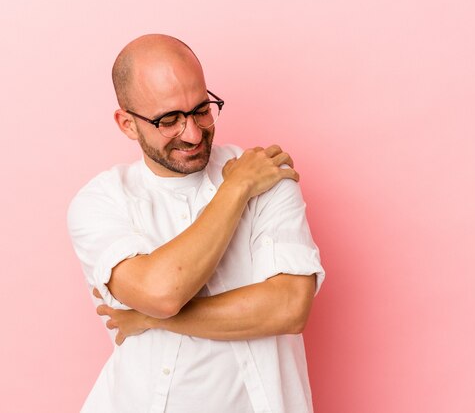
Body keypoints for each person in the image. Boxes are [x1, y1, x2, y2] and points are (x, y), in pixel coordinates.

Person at [67, 34, 325, 413]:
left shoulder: (266, 174)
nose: (193, 133)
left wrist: (149, 320)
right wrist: (235, 189)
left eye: (202, 109)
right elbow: (162, 292)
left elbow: (288, 307)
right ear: (127, 124)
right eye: (168, 119)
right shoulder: (100, 201)